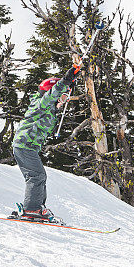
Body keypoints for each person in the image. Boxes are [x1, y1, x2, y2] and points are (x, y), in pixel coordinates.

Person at [12, 59, 82, 221]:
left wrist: (71, 83)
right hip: (25, 145)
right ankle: (32, 209)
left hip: (26, 146)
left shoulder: (46, 108)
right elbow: (55, 92)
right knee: (36, 176)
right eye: (63, 97)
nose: (63, 101)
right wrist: (68, 77)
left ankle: (37, 207)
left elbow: (56, 97)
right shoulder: (42, 103)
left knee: (39, 176)